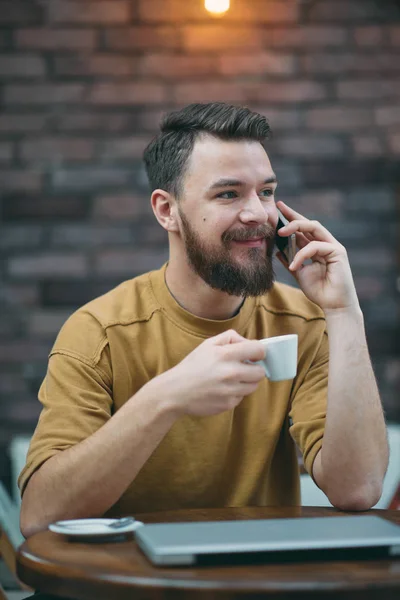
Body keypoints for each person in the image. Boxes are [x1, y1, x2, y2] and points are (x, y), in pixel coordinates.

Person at [19, 102, 388, 541]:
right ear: (166, 210)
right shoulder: (98, 332)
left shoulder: (304, 320)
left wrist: (344, 311)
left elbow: (358, 490)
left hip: (259, 580)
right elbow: (39, 518)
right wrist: (165, 398)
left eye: (267, 192)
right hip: (132, 582)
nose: (258, 214)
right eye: (229, 194)